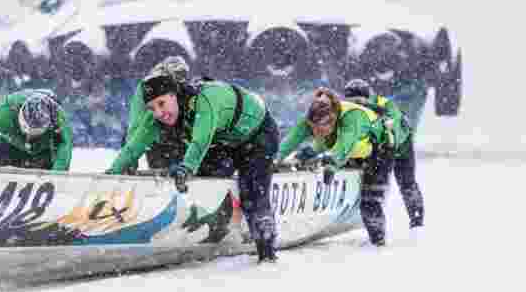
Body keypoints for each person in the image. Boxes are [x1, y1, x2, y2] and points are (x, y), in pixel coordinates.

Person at [107, 69, 281, 262]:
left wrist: (186, 168)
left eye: (161, 104)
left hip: (259, 136)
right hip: (225, 141)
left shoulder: (204, 102)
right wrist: (110, 174)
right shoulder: (159, 117)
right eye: (151, 108)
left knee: (252, 189)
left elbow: (200, 141)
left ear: (174, 95)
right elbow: (132, 148)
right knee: (205, 176)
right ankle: (204, 228)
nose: (158, 113)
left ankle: (266, 249)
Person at [276, 84, 408, 247]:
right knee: (311, 151)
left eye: (321, 130)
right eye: (313, 130)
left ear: (333, 121)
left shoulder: (352, 118)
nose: (316, 133)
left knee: (369, 201)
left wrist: (332, 165)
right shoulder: (314, 117)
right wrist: (274, 159)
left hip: (379, 149)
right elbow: (291, 140)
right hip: (354, 149)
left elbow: (343, 147)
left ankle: (378, 241)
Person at [118, 56, 233, 176]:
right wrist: (129, 163)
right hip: (156, 138)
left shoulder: (184, 90)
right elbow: (135, 125)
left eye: (183, 75)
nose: (180, 80)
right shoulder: (147, 89)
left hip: (177, 138)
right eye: (177, 75)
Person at [342, 78, 423, 231]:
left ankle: (417, 220)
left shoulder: (386, 105)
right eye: (350, 102)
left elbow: (393, 127)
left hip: (400, 146)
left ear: (367, 97)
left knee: (406, 183)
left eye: (358, 101)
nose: (355, 105)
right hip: (376, 147)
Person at [0, 89, 73, 171]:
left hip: (42, 150)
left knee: (45, 178)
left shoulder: (59, 118)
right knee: (6, 177)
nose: (29, 136)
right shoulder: (4, 112)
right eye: (26, 129)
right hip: (10, 145)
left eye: (35, 132)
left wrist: (56, 176)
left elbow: (64, 149)